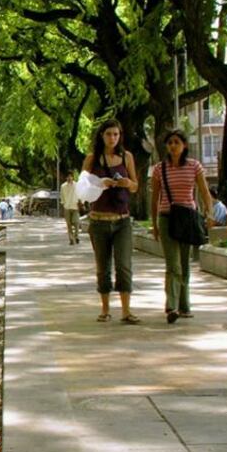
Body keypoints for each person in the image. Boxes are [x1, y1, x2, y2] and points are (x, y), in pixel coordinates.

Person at [150, 129, 213, 324]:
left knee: (185, 264)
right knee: (173, 264)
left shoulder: (194, 166)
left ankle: (185, 305)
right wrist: (154, 224)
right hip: (167, 217)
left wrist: (209, 212)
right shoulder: (160, 169)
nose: (173, 146)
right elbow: (154, 198)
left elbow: (204, 192)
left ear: (184, 145)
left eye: (177, 142)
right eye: (170, 143)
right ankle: (172, 305)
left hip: (187, 218)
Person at [83, 118, 140, 324]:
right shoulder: (92, 159)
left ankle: (126, 310)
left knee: (124, 265)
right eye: (108, 134)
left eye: (116, 134)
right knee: (103, 267)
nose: (112, 138)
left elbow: (135, 186)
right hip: (99, 221)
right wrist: (101, 183)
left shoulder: (127, 157)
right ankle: (105, 309)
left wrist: (127, 183)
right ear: (101, 136)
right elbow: (83, 189)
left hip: (122, 220)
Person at [60, 172, 81, 245]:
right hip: (67, 207)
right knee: (68, 225)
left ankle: (76, 236)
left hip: (75, 207)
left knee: (76, 222)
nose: (69, 178)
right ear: (66, 178)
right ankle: (71, 239)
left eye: (70, 176)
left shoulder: (77, 185)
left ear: (73, 177)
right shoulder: (63, 186)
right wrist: (63, 205)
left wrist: (81, 203)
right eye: (68, 177)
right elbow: (62, 197)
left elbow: (80, 194)